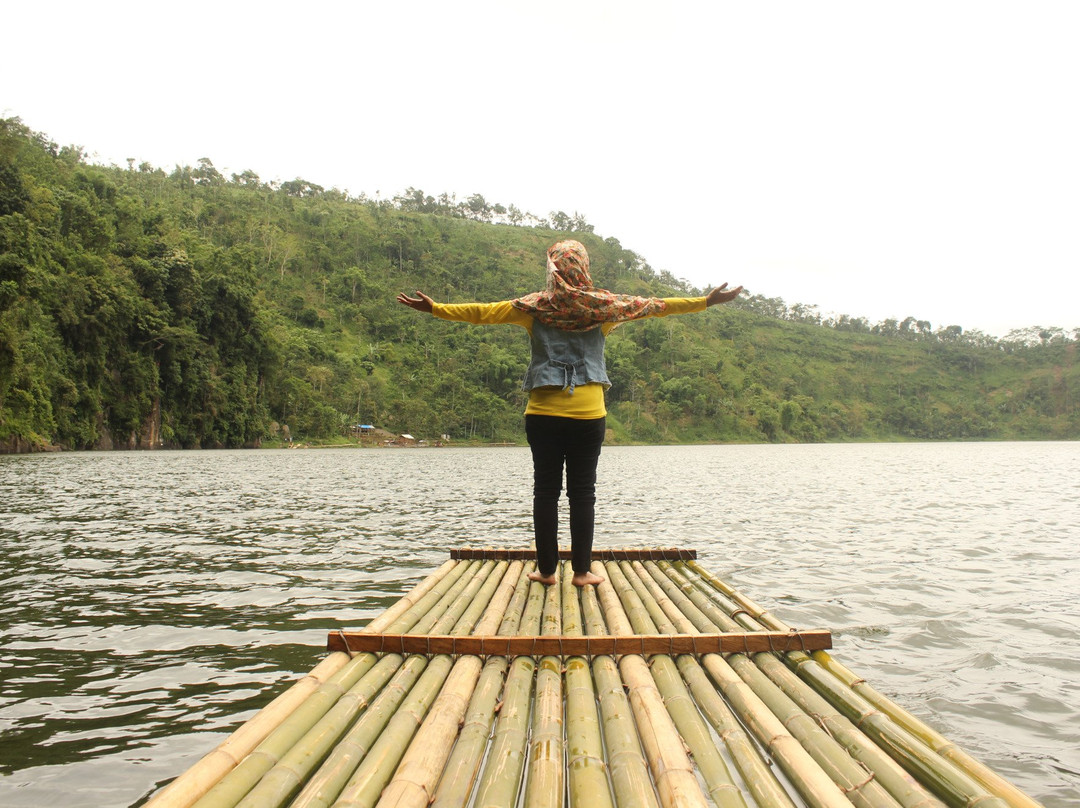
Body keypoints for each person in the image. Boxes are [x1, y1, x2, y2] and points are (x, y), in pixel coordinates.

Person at [398, 240, 742, 587]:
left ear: (552, 270)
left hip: (543, 413)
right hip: (589, 415)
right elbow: (655, 306)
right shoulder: (605, 308)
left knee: (545, 492)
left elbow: (481, 313)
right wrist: (705, 302)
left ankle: (546, 571)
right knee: (582, 493)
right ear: (584, 268)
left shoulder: (531, 307)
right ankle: (581, 572)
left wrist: (436, 308)